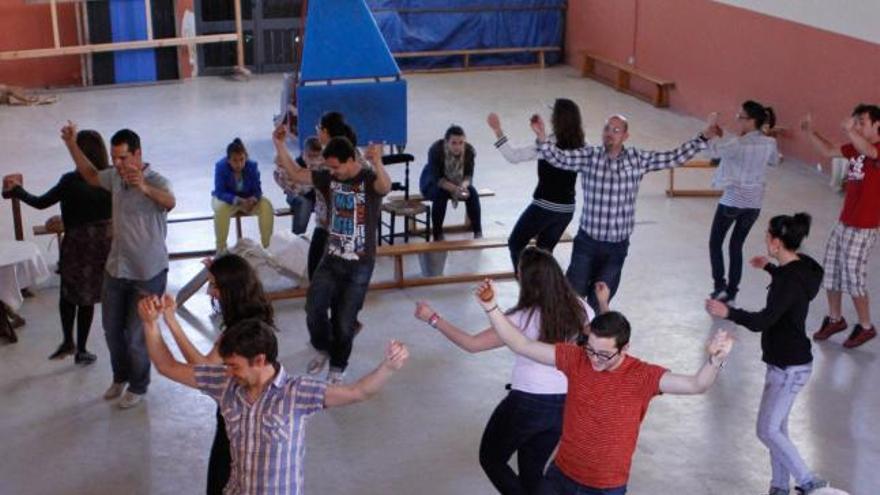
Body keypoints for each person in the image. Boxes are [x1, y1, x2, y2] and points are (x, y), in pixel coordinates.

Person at [474, 278, 734, 495]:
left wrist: (715, 360)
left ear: (625, 349)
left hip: (604, 488)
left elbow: (696, 384)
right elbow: (523, 345)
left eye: (604, 355)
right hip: (560, 477)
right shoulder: (576, 359)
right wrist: (491, 307)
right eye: (591, 350)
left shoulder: (642, 376)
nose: (595, 360)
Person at [138, 298, 409, 495]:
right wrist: (151, 325)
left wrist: (388, 367)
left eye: (235, 366)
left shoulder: (296, 393)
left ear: (259, 360)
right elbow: (167, 367)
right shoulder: (225, 383)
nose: (229, 372)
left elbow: (357, 391)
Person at [415, 248, 608, 495]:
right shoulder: (581, 308)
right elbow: (602, 338)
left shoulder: (520, 318)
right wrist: (603, 303)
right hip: (566, 404)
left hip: (527, 401)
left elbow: (472, 344)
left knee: (491, 459)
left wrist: (433, 318)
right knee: (532, 470)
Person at [530, 113, 721, 310]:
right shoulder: (589, 156)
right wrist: (543, 137)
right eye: (607, 129)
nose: (609, 134)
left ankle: (591, 340)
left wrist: (703, 137)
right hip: (587, 244)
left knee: (600, 302)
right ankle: (569, 339)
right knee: (573, 298)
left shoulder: (638, 159)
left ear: (625, 136)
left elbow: (674, 158)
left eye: (616, 130)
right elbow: (559, 158)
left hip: (616, 249)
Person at [706, 213, 829, 495]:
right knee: (778, 429)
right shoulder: (805, 269)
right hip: (784, 364)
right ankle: (779, 486)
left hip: (789, 368)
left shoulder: (788, 282)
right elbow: (792, 280)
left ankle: (809, 480)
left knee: (767, 429)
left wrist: (729, 312)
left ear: (775, 243)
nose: (764, 241)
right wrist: (771, 268)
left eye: (766, 237)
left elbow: (764, 321)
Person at [64, 121, 176, 409]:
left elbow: (170, 201)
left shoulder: (157, 181)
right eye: (114, 158)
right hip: (116, 269)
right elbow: (89, 174)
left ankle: (139, 385)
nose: (118, 164)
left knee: (137, 336)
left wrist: (144, 187)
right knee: (112, 330)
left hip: (148, 273)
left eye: (124, 158)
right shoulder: (114, 178)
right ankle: (120, 376)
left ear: (138, 154)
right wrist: (71, 143)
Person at [273, 128, 391, 383]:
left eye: (336, 167)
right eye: (329, 167)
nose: (332, 171)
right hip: (331, 258)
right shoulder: (328, 178)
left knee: (344, 320)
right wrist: (278, 144)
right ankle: (325, 348)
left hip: (360, 264)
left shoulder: (368, 179)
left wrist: (377, 161)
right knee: (313, 308)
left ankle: (338, 367)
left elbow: (385, 186)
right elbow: (295, 173)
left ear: (351, 160)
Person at [159, 254, 274, 494]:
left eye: (214, 285)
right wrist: (219, 269)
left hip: (238, 421)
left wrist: (171, 321)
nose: (210, 293)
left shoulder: (242, 333)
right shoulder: (253, 318)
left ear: (231, 288)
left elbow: (203, 367)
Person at [3, 129, 112, 364]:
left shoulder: (70, 181)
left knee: (68, 294)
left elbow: (41, 203)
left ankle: (67, 340)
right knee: (87, 297)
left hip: (76, 247)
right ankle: (82, 349)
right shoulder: (110, 179)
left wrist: (17, 190)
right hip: (101, 248)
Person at [801, 104, 880, 348]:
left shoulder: (874, 149)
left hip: (864, 226)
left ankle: (866, 327)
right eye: (855, 122)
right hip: (844, 222)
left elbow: (870, 151)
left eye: (862, 123)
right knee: (832, 272)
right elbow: (828, 150)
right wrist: (810, 131)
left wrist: (849, 131)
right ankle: (835, 319)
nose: (856, 127)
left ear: (878, 126)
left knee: (854, 278)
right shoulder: (855, 150)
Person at [487, 99, 583, 271]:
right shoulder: (583, 145)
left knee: (515, 243)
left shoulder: (547, 145)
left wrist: (497, 130)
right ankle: (543, 291)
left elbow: (513, 156)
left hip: (544, 206)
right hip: (567, 210)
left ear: (557, 119)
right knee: (544, 254)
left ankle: (526, 287)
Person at [707, 100, 780, 303]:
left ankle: (719, 287)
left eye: (741, 117)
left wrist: (711, 131)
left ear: (752, 120)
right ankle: (732, 292)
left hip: (732, 200)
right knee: (736, 246)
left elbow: (712, 153)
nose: (738, 120)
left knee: (715, 243)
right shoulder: (770, 142)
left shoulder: (738, 144)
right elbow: (775, 161)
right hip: (754, 203)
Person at [212, 138, 274, 251]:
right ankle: (221, 249)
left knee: (266, 205)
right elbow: (219, 192)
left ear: (246, 158)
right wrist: (237, 200)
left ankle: (267, 247)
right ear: (228, 160)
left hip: (248, 200)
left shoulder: (252, 166)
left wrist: (253, 199)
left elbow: (257, 190)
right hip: (227, 199)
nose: (239, 164)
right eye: (235, 160)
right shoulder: (220, 167)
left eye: (242, 159)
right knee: (221, 210)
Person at [425, 125, 482, 240]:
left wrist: (464, 186)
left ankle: (478, 232)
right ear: (447, 142)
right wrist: (455, 189)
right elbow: (436, 178)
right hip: (433, 182)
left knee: (472, 193)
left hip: (458, 182)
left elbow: (468, 175)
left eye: (461, 143)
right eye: (454, 143)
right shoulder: (436, 150)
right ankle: (437, 234)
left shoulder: (469, 151)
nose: (458, 147)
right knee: (440, 194)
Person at [274, 136, 322, 235]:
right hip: (296, 196)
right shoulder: (295, 164)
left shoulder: (322, 166)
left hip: (316, 197)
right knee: (304, 203)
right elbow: (281, 179)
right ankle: (298, 236)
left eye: (317, 156)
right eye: (310, 156)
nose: (313, 160)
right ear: (304, 153)